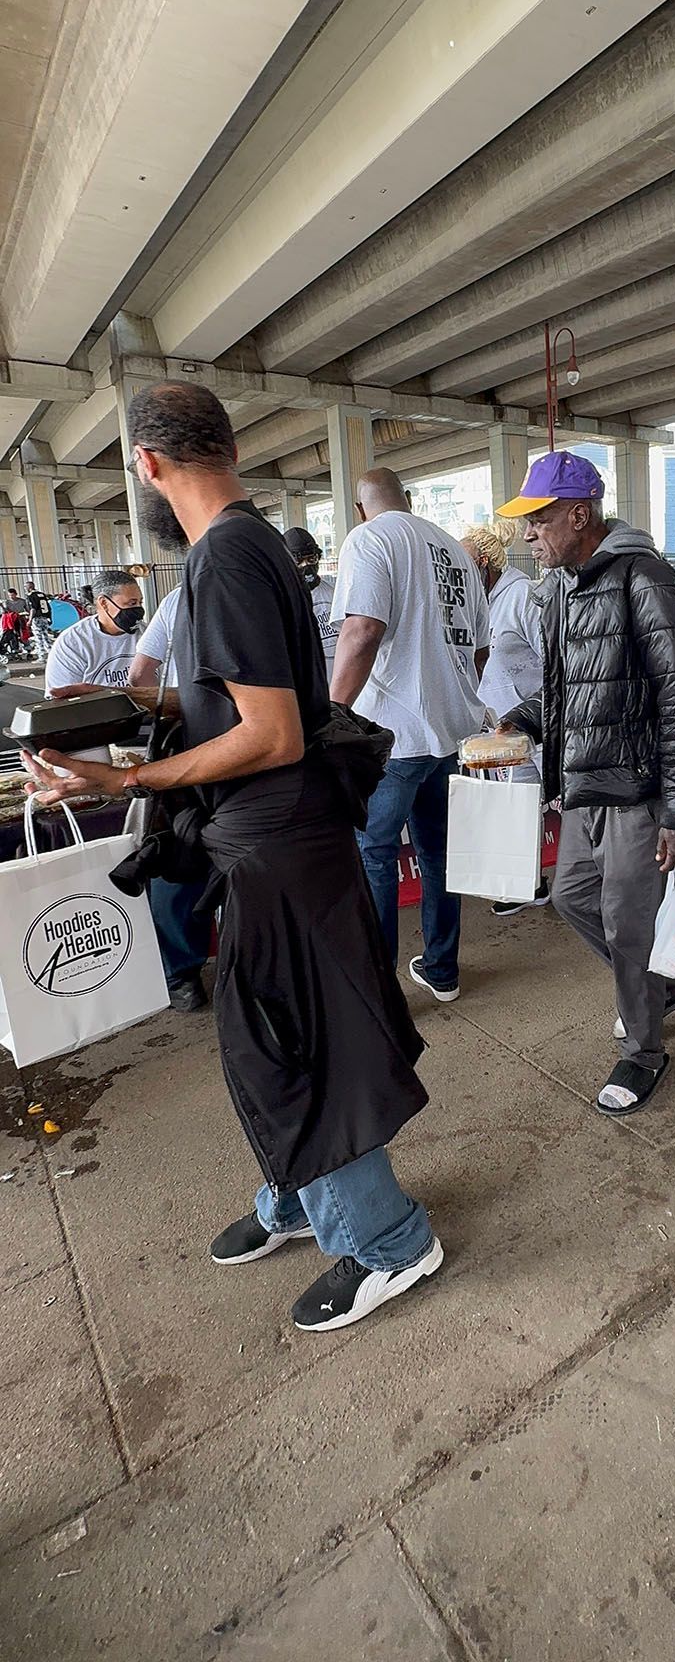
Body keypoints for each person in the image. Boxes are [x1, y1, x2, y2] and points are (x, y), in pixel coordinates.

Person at [24, 381, 440, 1334]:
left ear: (147, 465)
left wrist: (128, 781)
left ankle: (387, 1239)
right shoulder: (244, 546)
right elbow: (256, 697)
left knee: (299, 1045)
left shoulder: (228, 558)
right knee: (268, 1043)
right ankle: (301, 1195)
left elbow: (276, 732)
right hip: (272, 844)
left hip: (281, 843)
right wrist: (147, 711)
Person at [496, 451, 675, 1116]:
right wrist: (520, 722)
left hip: (639, 791)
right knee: (572, 897)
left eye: (538, 519)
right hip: (590, 785)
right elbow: (569, 690)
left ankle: (645, 1050)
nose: (527, 535)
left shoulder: (642, 577)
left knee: (625, 925)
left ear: (579, 514)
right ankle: (660, 987)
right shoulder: (564, 587)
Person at [330, 468, 489, 1004]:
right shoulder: (456, 552)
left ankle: (378, 996)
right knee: (440, 853)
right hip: (450, 735)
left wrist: (333, 714)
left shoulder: (369, 539)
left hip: (391, 738)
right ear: (411, 499)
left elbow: (362, 630)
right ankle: (442, 969)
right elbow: (479, 650)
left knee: (374, 855)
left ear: (359, 508)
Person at [127, 580, 211, 1016]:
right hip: (260, 747)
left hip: (193, 746)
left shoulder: (184, 596)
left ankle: (183, 974)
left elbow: (143, 673)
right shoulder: (278, 590)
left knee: (182, 857)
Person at [461, 519, 549, 917]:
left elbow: (556, 662)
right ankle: (527, 884)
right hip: (502, 725)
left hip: (537, 719)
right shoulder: (476, 602)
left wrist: (537, 709)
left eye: (464, 566)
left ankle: (592, 880)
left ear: (483, 562)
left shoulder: (522, 596)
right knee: (516, 804)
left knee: (560, 800)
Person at [43, 568, 145, 694]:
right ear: (104, 603)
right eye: (132, 603)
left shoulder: (148, 634)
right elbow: (61, 700)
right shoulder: (73, 643)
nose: (139, 610)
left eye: (140, 602)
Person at [282, 527, 340, 682]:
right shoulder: (282, 600)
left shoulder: (335, 593)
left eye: (311, 559)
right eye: (298, 561)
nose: (306, 566)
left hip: (338, 684)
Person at [26, 584, 55, 658]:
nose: (25, 588)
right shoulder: (42, 594)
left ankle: (41, 655)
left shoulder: (31, 596)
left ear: (29, 588)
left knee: (38, 636)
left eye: (26, 587)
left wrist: (30, 619)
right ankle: (50, 652)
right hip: (45, 617)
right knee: (45, 635)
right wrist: (49, 617)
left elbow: (33, 609)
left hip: (37, 618)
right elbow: (48, 607)